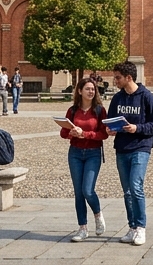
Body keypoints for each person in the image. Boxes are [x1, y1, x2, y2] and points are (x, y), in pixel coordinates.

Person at [106, 60, 153, 245]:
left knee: (136, 186)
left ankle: (141, 227)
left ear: (128, 77)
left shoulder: (146, 97)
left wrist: (137, 127)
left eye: (118, 78)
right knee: (127, 191)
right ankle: (131, 228)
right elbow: (111, 119)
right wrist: (111, 129)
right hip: (121, 147)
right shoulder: (117, 99)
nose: (115, 81)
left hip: (141, 147)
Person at [61, 78, 110, 241]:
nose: (91, 92)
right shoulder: (72, 110)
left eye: (93, 89)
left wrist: (85, 134)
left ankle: (97, 214)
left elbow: (104, 134)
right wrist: (71, 133)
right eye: (88, 89)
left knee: (87, 190)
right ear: (80, 91)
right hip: (75, 153)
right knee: (78, 192)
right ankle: (82, 228)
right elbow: (63, 133)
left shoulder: (99, 111)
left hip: (93, 153)